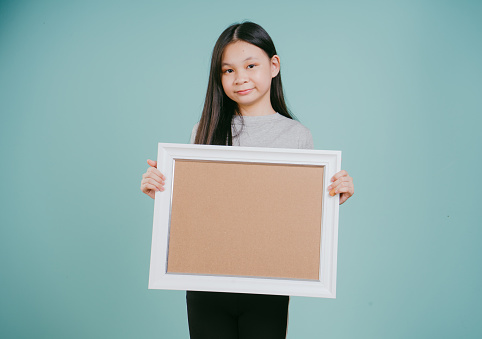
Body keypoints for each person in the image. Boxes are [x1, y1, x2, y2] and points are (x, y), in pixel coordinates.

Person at [140, 21, 354, 339]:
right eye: (228, 70)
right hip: (206, 280)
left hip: (269, 283)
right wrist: (163, 191)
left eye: (250, 65)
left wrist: (334, 195)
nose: (240, 78)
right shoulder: (204, 130)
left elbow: (300, 215)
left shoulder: (297, 136)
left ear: (274, 65)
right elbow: (198, 210)